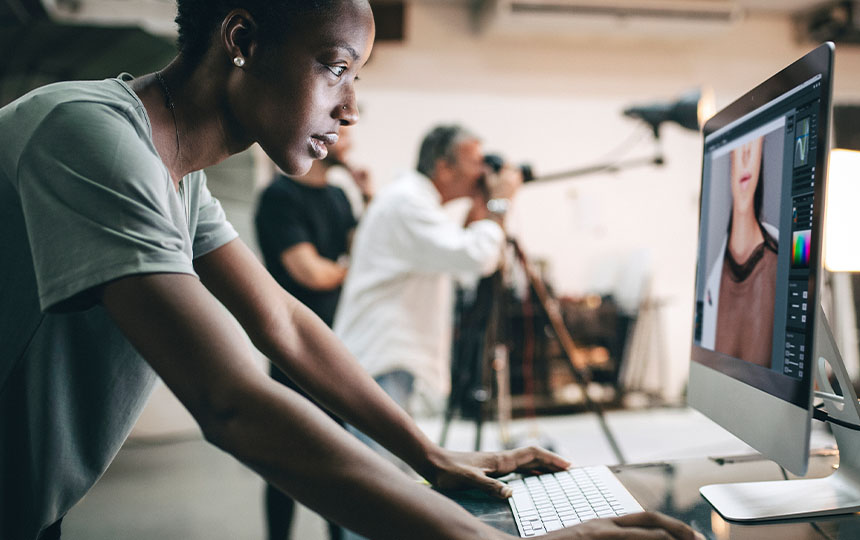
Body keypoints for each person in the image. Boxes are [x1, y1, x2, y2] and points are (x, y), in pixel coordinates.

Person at [0, 1, 701, 539]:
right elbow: (228, 398)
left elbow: (286, 326)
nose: (352, 109)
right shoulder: (85, 134)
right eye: (337, 67)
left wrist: (431, 456)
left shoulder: (177, 180)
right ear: (242, 42)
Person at [333, 125, 515, 435]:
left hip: (387, 359)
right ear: (444, 168)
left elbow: (463, 265)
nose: (484, 172)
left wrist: (483, 208)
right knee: (381, 474)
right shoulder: (407, 203)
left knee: (390, 468)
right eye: (476, 162)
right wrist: (499, 204)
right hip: (382, 362)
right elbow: (476, 257)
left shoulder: (415, 201)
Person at [255, 124, 368, 540]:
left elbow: (362, 248)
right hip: (294, 346)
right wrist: (352, 272)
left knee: (341, 459)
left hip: (339, 345)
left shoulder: (340, 196)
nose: (352, 143)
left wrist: (367, 195)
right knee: (285, 462)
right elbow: (311, 272)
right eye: (345, 135)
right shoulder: (279, 196)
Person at [701, 136, 779, 368]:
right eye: (738, 148)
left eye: (754, 145)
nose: (746, 156)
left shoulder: (780, 268)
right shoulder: (711, 273)